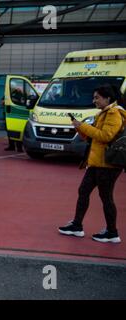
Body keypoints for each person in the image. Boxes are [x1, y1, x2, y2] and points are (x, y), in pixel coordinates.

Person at [58, 85, 126, 243]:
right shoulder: (102, 114)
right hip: (97, 163)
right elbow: (92, 137)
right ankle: (77, 226)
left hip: (108, 165)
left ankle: (112, 232)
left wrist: (83, 126)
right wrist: (80, 129)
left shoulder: (114, 113)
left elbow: (105, 136)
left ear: (108, 98)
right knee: (83, 191)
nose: (94, 100)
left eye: (97, 97)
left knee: (106, 197)